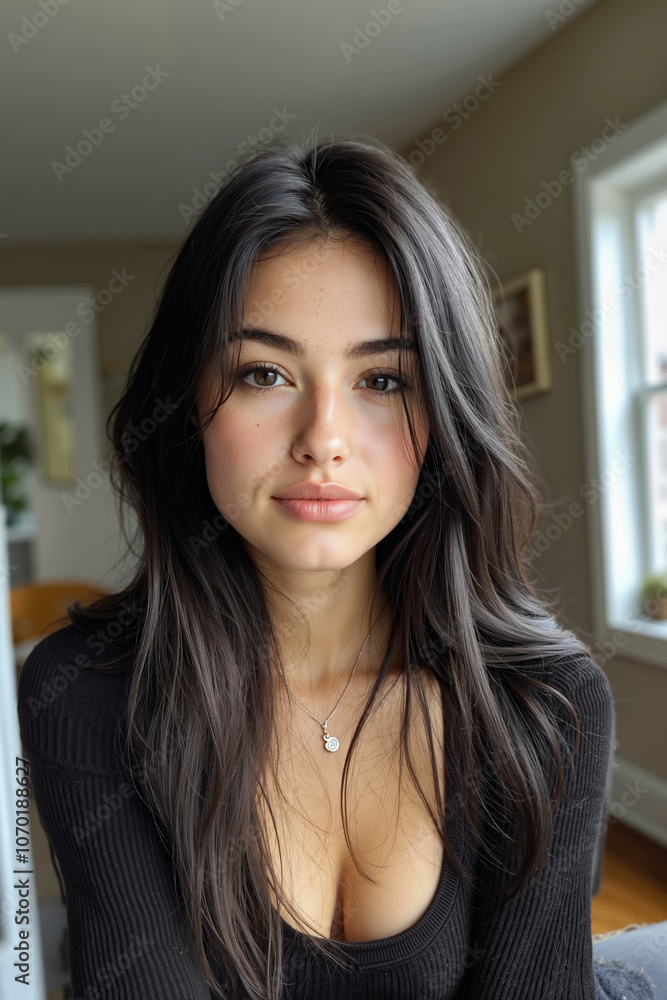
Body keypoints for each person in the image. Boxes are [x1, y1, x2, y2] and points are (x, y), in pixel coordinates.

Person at [16, 134, 660, 1000]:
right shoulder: (84, 690)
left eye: (383, 381)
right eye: (264, 373)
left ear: (441, 419)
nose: (322, 438)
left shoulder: (544, 703)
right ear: (186, 409)